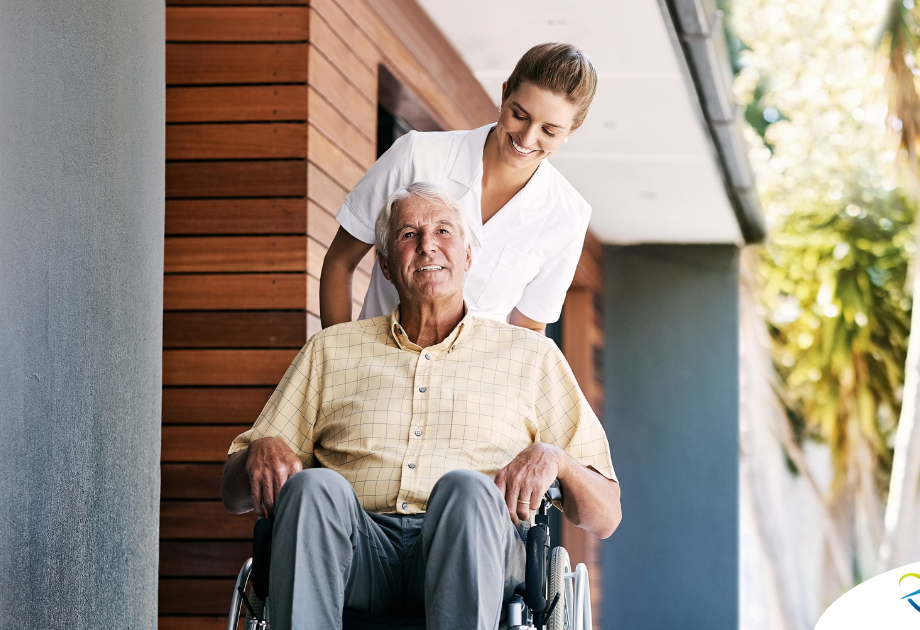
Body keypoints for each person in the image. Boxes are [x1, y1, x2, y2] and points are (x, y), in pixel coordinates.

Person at [222, 183, 621, 630]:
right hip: (356, 553)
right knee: (314, 490)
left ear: (468, 257)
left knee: (468, 491)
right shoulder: (330, 351)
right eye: (408, 234)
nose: (427, 243)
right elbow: (234, 494)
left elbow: (606, 515)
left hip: (472, 547)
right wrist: (258, 452)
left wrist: (558, 460)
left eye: (443, 231)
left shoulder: (533, 357)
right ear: (387, 266)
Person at [320, 43, 598, 334]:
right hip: (376, 371)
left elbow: (527, 329)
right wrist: (339, 363)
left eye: (549, 131)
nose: (527, 138)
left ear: (571, 131)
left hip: (475, 378)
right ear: (504, 94)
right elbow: (341, 261)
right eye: (520, 115)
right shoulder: (416, 155)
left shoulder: (568, 216)